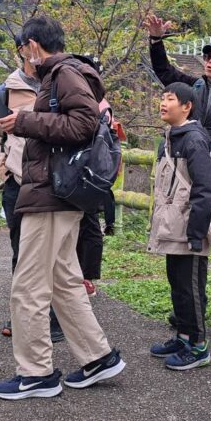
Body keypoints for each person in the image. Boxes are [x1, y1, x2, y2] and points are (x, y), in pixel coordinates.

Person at [0, 17, 125, 400]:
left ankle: (36, 373)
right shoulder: (63, 73)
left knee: (29, 286)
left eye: (22, 50)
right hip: (59, 195)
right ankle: (99, 357)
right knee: (64, 281)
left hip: (51, 195)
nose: (24, 58)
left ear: (32, 45)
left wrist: (25, 121)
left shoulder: (64, 74)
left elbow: (83, 124)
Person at [145, 14, 211, 298]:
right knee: (192, 242)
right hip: (194, 176)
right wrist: (156, 40)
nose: (210, 62)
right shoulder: (196, 88)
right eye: (207, 57)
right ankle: (193, 306)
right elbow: (165, 73)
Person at [0, 35, 64, 342]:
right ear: (24, 50)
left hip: (53, 182)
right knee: (21, 252)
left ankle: (54, 318)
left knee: (56, 255)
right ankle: (23, 316)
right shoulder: (6, 91)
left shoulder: (59, 83)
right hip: (18, 183)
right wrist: (2, 166)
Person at [147, 83, 211, 370]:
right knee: (177, 284)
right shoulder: (169, 139)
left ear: (186, 106)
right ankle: (184, 336)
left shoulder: (194, 140)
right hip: (173, 226)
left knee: (191, 288)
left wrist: (196, 232)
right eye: (162, 98)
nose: (163, 103)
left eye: (170, 99)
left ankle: (199, 346)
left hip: (190, 228)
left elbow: (204, 189)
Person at [74, 97, 122, 297]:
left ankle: (86, 277)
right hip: (81, 171)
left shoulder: (100, 105)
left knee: (89, 225)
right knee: (83, 225)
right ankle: (81, 276)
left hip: (90, 173)